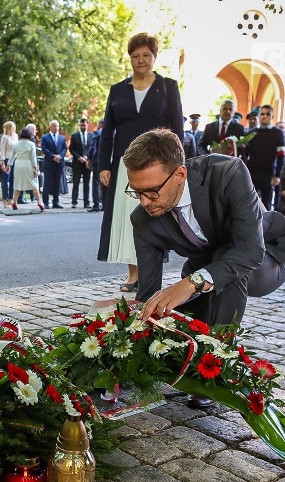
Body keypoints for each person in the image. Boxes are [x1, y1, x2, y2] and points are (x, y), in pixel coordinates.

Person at [127, 129, 285, 407]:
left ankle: (215, 368)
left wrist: (193, 282)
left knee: (221, 266)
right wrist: (124, 328)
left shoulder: (228, 172)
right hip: (206, 268)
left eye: (151, 191)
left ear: (180, 175)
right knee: (175, 312)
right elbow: (148, 293)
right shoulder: (143, 219)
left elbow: (250, 251)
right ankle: (190, 359)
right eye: (136, 192)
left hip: (267, 258)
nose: (144, 201)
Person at [97, 32, 183, 293]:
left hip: (157, 166)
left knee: (152, 214)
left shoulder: (168, 87)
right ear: (130, 58)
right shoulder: (117, 90)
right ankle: (132, 274)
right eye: (136, 56)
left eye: (146, 55)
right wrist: (103, 164)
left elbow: (177, 129)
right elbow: (107, 131)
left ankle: (149, 273)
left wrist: (178, 165)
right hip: (125, 164)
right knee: (127, 218)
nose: (141, 60)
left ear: (154, 57)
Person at [243, 105, 285, 211]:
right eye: (262, 114)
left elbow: (281, 156)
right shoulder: (251, 133)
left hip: (268, 174)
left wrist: (277, 175)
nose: (264, 116)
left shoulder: (278, 133)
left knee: (266, 204)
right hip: (252, 173)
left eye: (267, 114)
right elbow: (245, 155)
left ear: (272, 116)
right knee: (250, 203)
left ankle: (266, 227)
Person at [9, 126, 43, 211]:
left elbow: (12, 156)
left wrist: (8, 165)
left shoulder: (16, 144)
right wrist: (36, 167)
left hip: (18, 164)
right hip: (28, 164)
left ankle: (14, 202)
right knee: (34, 184)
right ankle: (39, 202)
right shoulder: (31, 144)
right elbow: (33, 157)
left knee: (18, 184)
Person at [40, 120, 66, 209]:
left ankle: (56, 202)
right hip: (49, 164)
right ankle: (46, 202)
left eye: (57, 126)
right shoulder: (45, 137)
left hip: (59, 164)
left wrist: (60, 156)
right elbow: (44, 149)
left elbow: (64, 149)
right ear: (50, 127)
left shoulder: (62, 138)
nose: (56, 128)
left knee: (57, 184)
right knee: (47, 184)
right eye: (54, 126)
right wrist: (53, 157)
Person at [69, 118, 92, 209]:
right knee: (76, 183)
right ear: (79, 125)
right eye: (81, 125)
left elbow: (92, 148)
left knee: (86, 184)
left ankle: (86, 202)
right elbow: (71, 149)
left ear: (87, 125)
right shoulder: (74, 136)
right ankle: (74, 202)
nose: (83, 127)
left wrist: (87, 156)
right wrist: (79, 157)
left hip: (87, 163)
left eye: (84, 125)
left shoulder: (91, 135)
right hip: (77, 163)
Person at [0, 121, 18, 208]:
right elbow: (2, 150)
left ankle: (11, 198)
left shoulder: (16, 136)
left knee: (13, 180)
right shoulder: (4, 137)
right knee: (5, 181)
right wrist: (2, 161)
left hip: (15, 159)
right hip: (6, 159)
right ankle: (5, 199)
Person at [87, 118, 104, 212]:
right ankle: (105, 204)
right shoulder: (112, 133)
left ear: (101, 124)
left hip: (97, 161)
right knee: (106, 183)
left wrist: (88, 159)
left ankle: (96, 204)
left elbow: (93, 148)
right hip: (108, 161)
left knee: (96, 183)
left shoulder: (97, 133)